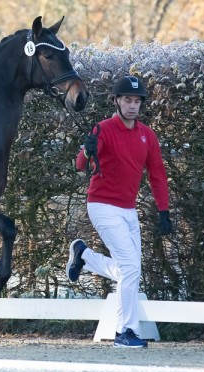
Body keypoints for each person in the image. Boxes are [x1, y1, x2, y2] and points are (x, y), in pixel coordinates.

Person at [66, 75, 173, 348]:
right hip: (102, 206)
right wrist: (87, 152)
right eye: (127, 100)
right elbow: (81, 164)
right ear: (116, 101)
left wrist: (164, 210)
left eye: (137, 101)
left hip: (128, 210)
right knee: (130, 267)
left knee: (130, 270)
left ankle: (84, 256)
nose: (132, 106)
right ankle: (125, 332)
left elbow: (158, 175)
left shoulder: (147, 136)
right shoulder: (102, 129)